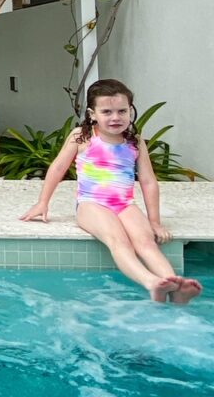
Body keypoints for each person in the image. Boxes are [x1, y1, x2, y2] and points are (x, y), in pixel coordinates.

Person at [20, 78, 202, 304]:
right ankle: (151, 282)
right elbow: (58, 168)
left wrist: (154, 222)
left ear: (130, 111)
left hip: (124, 204)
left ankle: (175, 285)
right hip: (91, 204)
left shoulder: (134, 142)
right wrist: (42, 202)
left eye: (122, 111)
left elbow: (148, 181)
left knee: (146, 241)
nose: (115, 117)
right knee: (119, 241)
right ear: (92, 114)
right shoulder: (82, 137)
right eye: (107, 111)